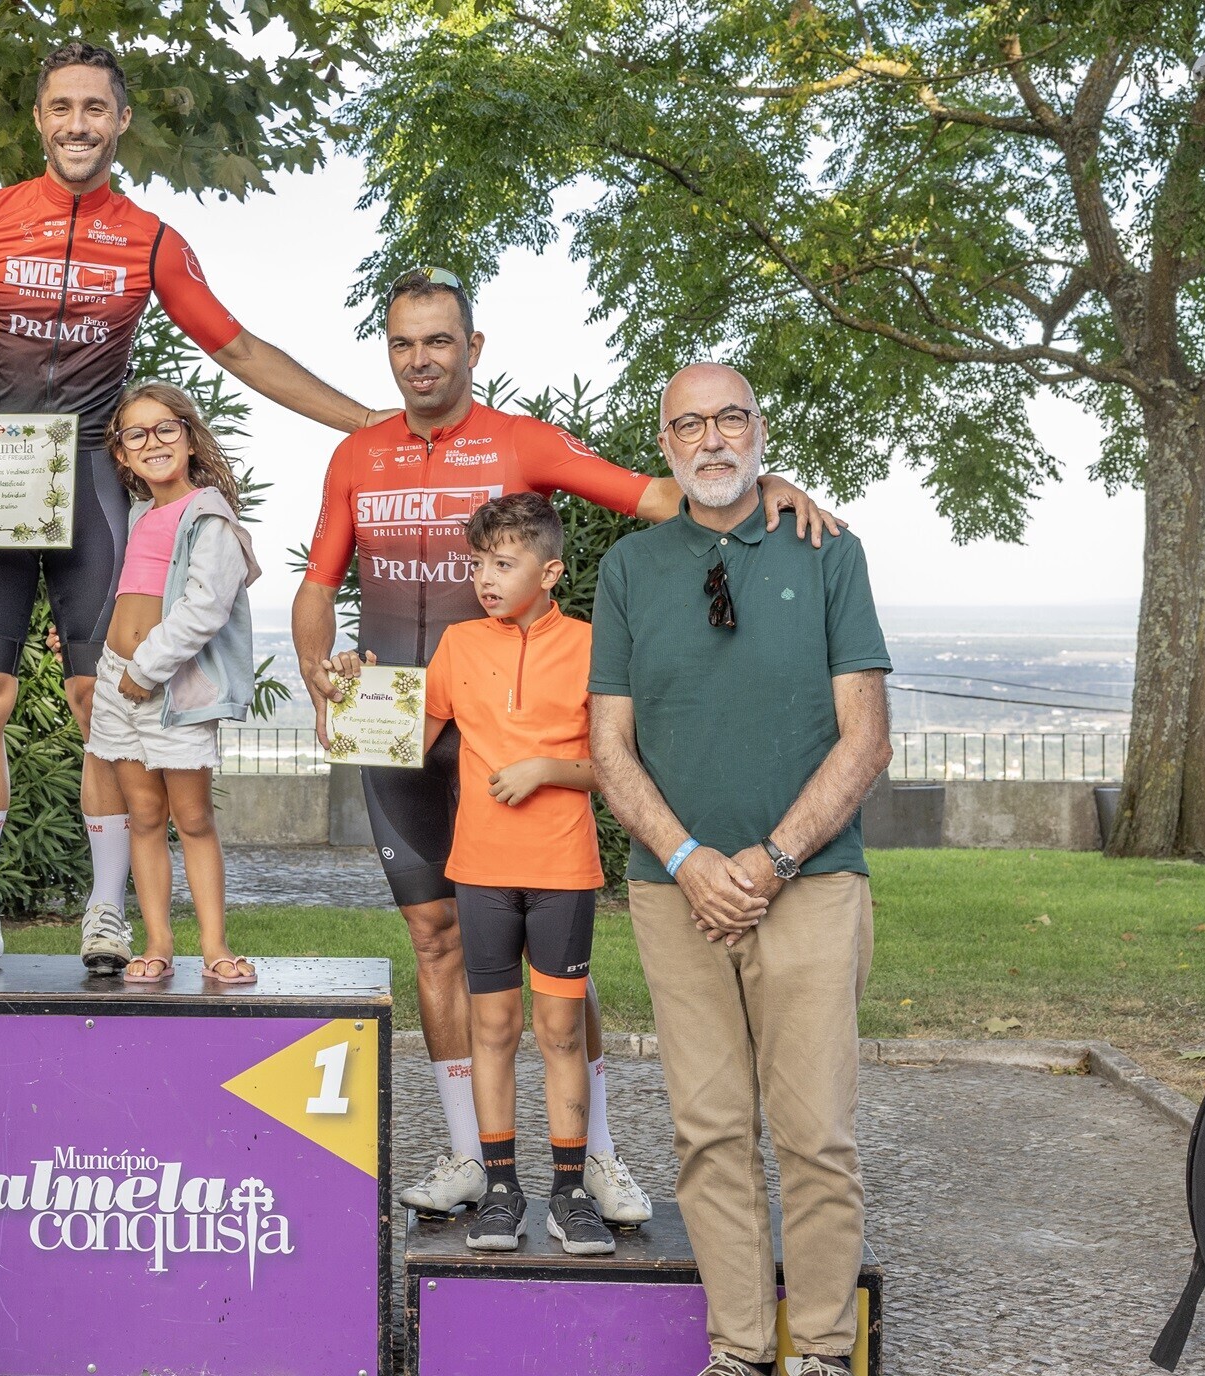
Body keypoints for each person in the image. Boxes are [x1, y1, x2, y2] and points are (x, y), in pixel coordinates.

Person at [294, 267, 842, 1222]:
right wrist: (316, 667)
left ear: (473, 348)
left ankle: (593, 1154)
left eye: (437, 340)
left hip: (519, 736)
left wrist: (767, 482)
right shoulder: (358, 454)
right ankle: (470, 1154)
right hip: (402, 727)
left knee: (555, 964)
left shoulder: (521, 440)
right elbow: (316, 584)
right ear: (387, 351)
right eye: (401, 343)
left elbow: (662, 499)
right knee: (435, 940)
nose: (419, 359)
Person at [0, 40, 385, 973]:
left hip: (93, 480)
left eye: (94, 109)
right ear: (38, 120)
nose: (77, 124)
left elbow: (237, 349)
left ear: (120, 123)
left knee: (101, 697)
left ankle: (105, 912)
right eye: (61, 107)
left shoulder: (149, 239)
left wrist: (365, 422)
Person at [590, 363, 889, 1376]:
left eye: (729, 417)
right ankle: (738, 1350)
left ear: (760, 429)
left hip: (810, 885)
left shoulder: (828, 549)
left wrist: (766, 860)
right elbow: (607, 745)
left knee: (814, 1135)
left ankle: (814, 1352)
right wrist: (685, 858)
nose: (711, 438)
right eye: (689, 423)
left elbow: (864, 738)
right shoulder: (629, 566)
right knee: (708, 1135)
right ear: (665, 444)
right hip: (673, 893)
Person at [422, 493, 613, 1256]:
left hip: (563, 869)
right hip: (480, 871)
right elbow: (406, 729)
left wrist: (547, 769)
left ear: (551, 569)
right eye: (477, 564)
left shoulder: (595, 647)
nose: (485, 578)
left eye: (503, 564)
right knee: (492, 1028)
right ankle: (501, 1188)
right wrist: (349, 688)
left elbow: (615, 765)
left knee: (559, 1030)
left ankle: (571, 1194)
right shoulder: (460, 644)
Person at [86, 382, 260, 983]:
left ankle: (214, 945)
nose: (152, 442)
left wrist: (145, 668)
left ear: (188, 437)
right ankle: (158, 941)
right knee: (143, 816)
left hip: (167, 685)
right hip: (119, 681)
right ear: (122, 453)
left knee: (192, 818)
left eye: (166, 429)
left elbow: (203, 608)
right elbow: (136, 595)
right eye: (137, 433)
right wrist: (115, 655)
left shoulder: (209, 516)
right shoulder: (141, 515)